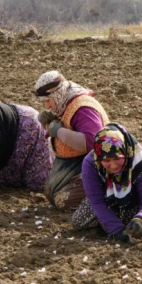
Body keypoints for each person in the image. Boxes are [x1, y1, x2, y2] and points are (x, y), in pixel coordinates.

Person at [72, 123, 142, 243]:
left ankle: (141, 220)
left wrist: (141, 220)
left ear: (125, 151)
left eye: (117, 158)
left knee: (136, 221)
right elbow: (97, 201)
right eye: (106, 160)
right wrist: (117, 231)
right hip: (111, 195)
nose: (113, 165)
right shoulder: (90, 164)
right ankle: (117, 222)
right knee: (79, 221)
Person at [34, 70, 110, 212]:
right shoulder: (65, 102)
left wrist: (58, 131)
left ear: (57, 93)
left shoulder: (84, 108)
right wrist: (50, 123)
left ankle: (105, 198)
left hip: (94, 163)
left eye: (48, 100)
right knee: (51, 192)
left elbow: (91, 142)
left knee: (64, 200)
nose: (47, 106)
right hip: (74, 163)